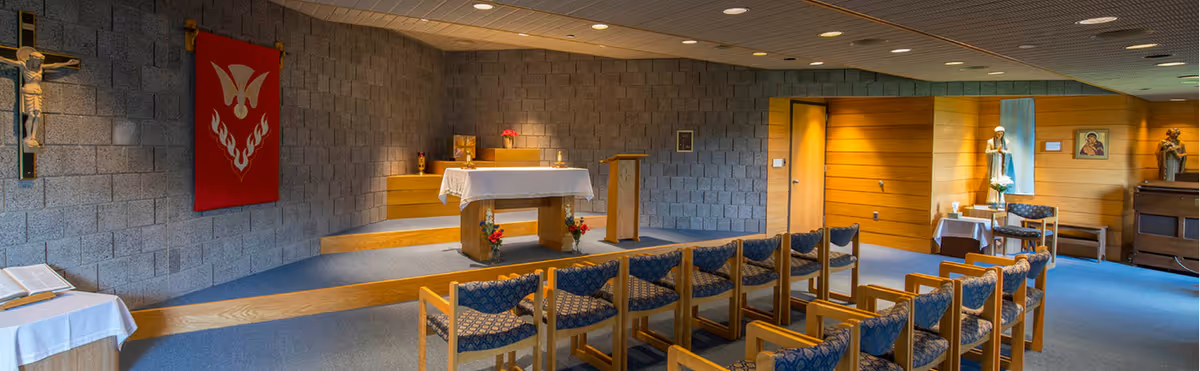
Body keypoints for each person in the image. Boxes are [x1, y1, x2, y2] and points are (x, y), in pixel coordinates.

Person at [0, 46, 79, 153]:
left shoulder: (40, 67)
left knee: (38, 115)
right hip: (28, 92)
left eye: (39, 62)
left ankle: (33, 137)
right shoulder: (23, 65)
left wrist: (67, 63)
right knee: (31, 115)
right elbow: (8, 61)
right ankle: (28, 137)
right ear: (32, 60)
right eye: (37, 62)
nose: (38, 64)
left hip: (38, 92)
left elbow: (54, 65)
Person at [985, 126, 1010, 204]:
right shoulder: (990, 141)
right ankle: (992, 198)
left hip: (1001, 162)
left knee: (1000, 178)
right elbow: (987, 151)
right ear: (995, 134)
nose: (999, 136)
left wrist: (1002, 151)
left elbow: (1008, 153)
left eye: (1001, 134)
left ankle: (1000, 199)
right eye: (998, 134)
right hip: (994, 163)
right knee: (993, 178)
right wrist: (996, 150)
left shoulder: (1006, 142)